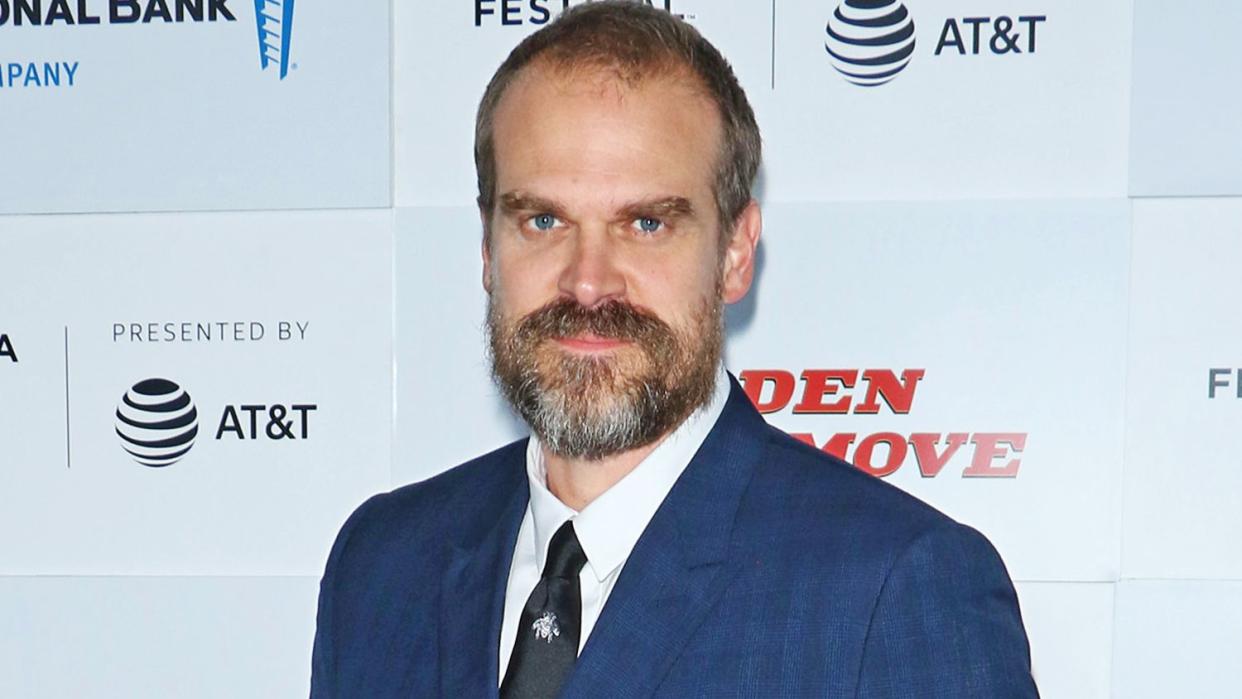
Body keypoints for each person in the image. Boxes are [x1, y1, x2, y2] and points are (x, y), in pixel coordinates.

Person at [310, 2, 1038, 697]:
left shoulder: (893, 588)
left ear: (735, 252)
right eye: (541, 219)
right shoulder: (381, 564)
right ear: (487, 248)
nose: (588, 281)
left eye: (647, 224)